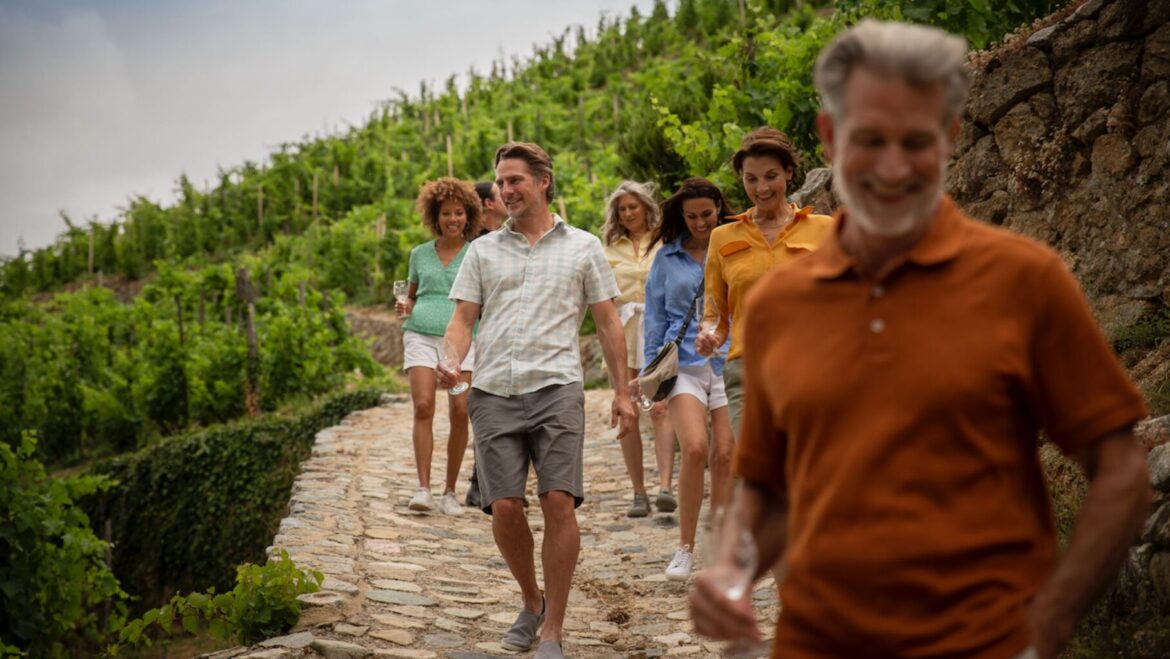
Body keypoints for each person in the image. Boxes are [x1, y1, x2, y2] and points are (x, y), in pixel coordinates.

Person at [689, 20, 1151, 659]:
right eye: (869, 139)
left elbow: (1122, 470)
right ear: (828, 138)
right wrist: (732, 572)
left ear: (952, 137)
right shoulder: (778, 309)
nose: (892, 167)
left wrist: (1050, 623)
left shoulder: (1024, 280)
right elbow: (770, 493)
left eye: (917, 141)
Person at [439, 142, 636, 659]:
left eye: (514, 181)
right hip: (493, 390)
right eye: (501, 183)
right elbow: (461, 320)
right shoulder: (481, 251)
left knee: (557, 500)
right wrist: (450, 357)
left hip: (557, 387)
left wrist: (622, 391)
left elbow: (609, 322)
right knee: (503, 505)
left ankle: (554, 630)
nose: (504, 191)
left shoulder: (585, 246)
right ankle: (532, 600)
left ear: (543, 181)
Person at [695, 127, 834, 435]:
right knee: (755, 474)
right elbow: (715, 317)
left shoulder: (824, 230)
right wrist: (708, 336)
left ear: (788, 172)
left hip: (808, 367)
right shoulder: (722, 238)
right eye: (751, 179)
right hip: (746, 370)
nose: (761, 188)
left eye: (771, 176)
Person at [641, 177, 736, 580]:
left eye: (708, 214)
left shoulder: (736, 245)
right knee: (695, 449)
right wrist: (651, 380)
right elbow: (655, 318)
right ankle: (686, 546)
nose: (701, 223)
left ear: (719, 209)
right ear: (681, 217)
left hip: (730, 362)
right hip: (684, 367)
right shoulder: (667, 259)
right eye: (692, 216)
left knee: (726, 455)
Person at [397, 177, 480, 516]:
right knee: (423, 406)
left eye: (459, 213)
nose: (453, 219)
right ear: (435, 215)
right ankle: (423, 489)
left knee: (460, 411)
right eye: (446, 213)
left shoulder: (478, 252)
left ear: (468, 215)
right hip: (419, 334)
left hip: (463, 339)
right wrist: (405, 306)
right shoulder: (418, 254)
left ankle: (450, 492)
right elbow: (411, 296)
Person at [602, 180, 678, 518]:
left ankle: (665, 487)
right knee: (628, 409)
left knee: (660, 407)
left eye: (634, 206)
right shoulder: (608, 248)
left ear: (647, 207)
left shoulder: (665, 241)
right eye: (622, 209)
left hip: (657, 329)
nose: (629, 213)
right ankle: (638, 492)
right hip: (622, 329)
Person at [464, 179, 510, 509]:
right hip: (482, 339)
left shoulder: (505, 238)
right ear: (488, 205)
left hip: (497, 338)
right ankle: (479, 483)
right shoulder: (479, 246)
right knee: (487, 411)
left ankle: (481, 482)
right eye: (500, 193)